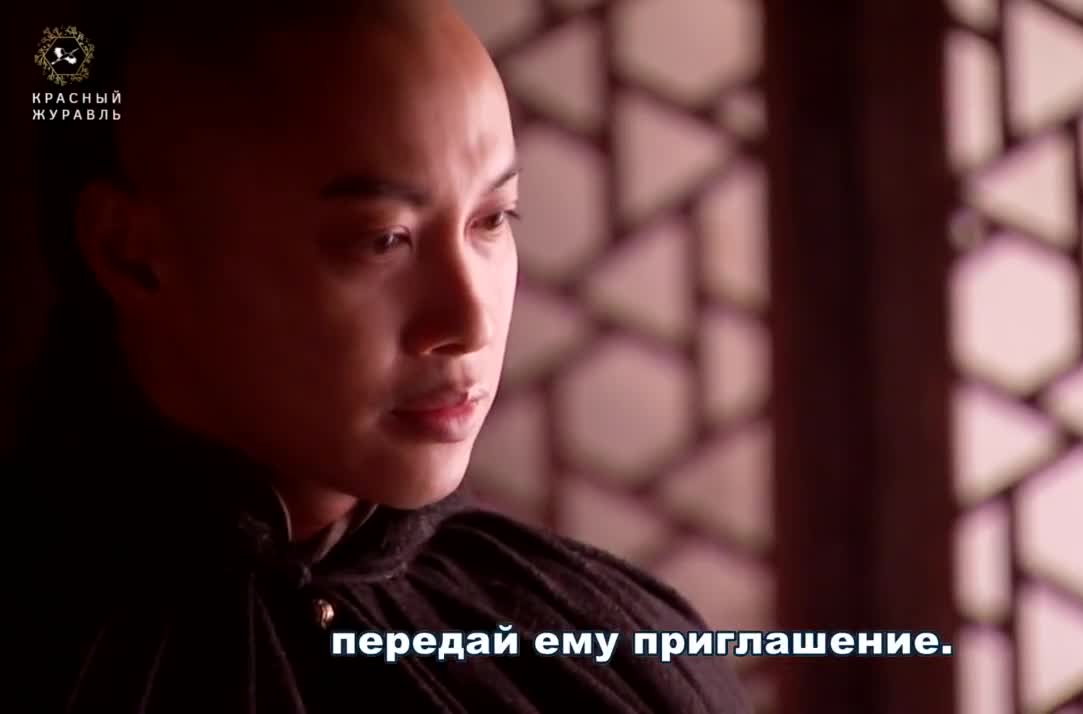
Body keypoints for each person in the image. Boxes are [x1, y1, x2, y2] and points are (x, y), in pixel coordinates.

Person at [8, 1, 750, 711]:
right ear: (133, 252)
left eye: (493, 220)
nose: (469, 323)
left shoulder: (614, 657)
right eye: (383, 240)